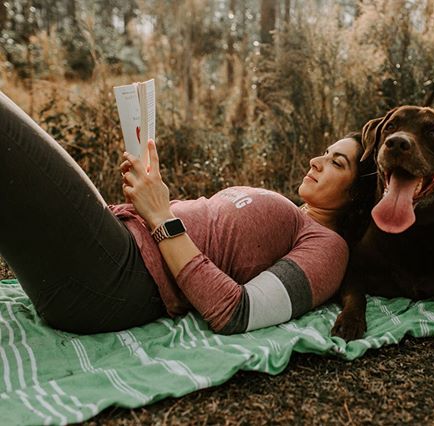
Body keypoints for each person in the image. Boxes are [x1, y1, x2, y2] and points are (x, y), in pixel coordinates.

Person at [0, 90, 376, 335]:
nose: (316, 161)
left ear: (357, 197)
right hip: (113, 251)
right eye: (324, 153)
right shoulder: (294, 213)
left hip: (115, 279)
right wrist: (147, 196)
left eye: (336, 162)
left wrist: (162, 217)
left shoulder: (328, 246)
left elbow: (239, 312)